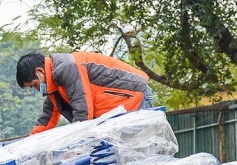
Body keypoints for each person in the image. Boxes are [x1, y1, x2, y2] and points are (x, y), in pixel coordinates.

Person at [15, 50, 154, 134]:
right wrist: (30, 145)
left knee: (136, 157)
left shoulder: (67, 67)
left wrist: (76, 145)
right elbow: (46, 119)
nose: (38, 89)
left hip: (135, 96)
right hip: (119, 109)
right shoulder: (55, 87)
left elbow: (82, 110)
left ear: (40, 72)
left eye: (35, 85)